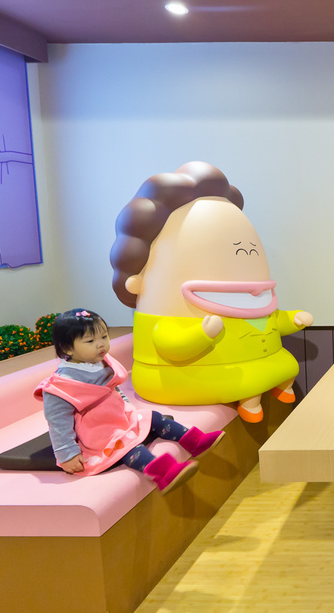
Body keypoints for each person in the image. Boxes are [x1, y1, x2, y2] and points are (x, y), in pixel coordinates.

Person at [109, 162, 313, 422]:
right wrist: (201, 334)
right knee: (247, 381)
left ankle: (270, 390)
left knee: (283, 366)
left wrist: (292, 318)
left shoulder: (253, 302)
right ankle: (252, 399)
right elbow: (169, 343)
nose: (246, 254)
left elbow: (268, 322)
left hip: (262, 361)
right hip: (185, 377)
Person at [35, 309, 225, 493]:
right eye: (90, 341)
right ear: (67, 348)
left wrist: (127, 406)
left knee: (154, 417)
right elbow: (58, 421)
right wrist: (67, 453)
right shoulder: (61, 385)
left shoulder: (101, 361)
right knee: (127, 444)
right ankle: (164, 473)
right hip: (99, 431)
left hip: (118, 415)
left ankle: (195, 441)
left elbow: (113, 387)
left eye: (104, 337)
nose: (101, 344)